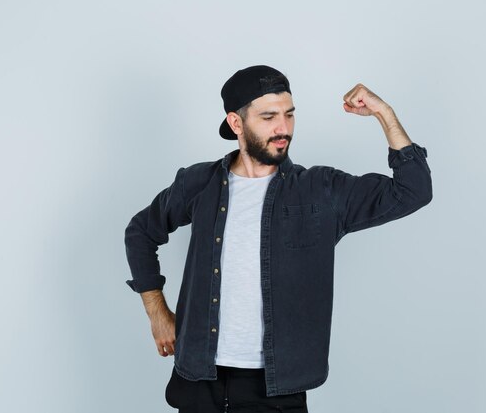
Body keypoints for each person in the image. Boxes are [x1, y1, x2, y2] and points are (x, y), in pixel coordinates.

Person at [124, 65, 432, 413]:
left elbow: (413, 190)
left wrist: (383, 113)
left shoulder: (321, 190)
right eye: (268, 116)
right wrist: (157, 311)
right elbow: (140, 232)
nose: (283, 128)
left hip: (274, 392)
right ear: (236, 123)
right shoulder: (199, 184)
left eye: (289, 114)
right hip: (198, 381)